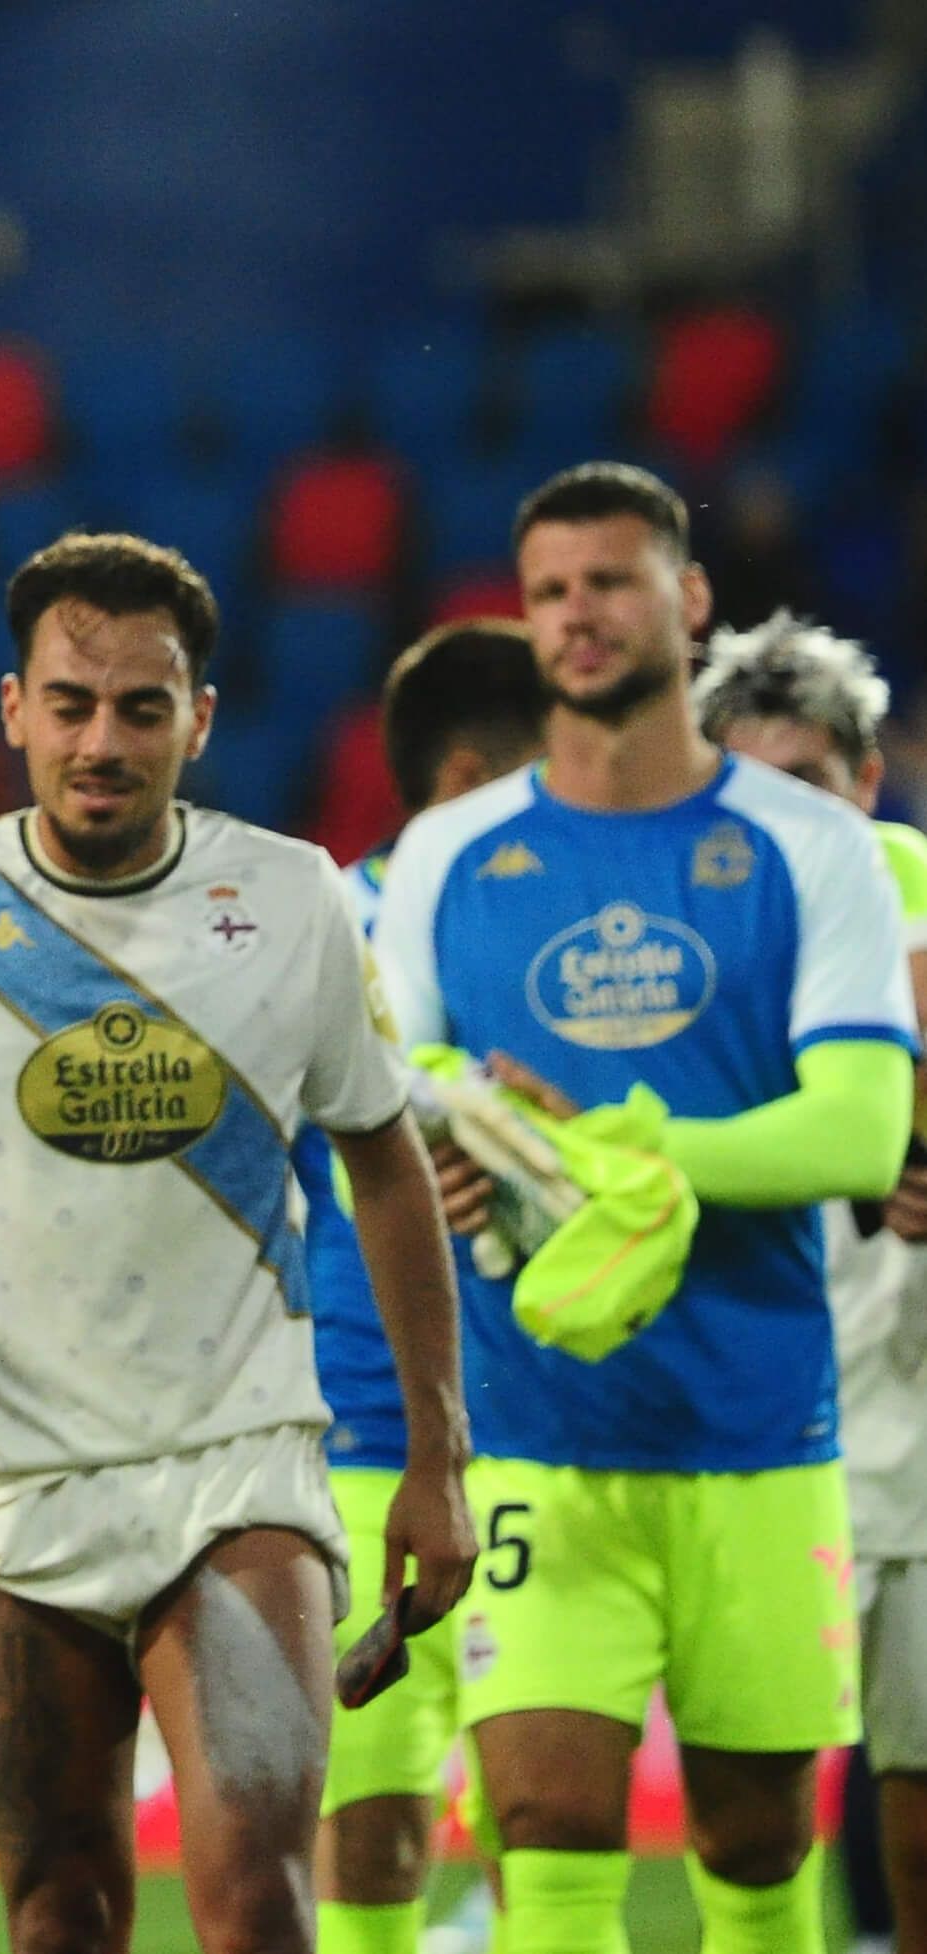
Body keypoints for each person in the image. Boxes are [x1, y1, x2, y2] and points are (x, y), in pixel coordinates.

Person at [0, 531, 477, 1954]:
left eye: (141, 707)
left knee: (255, 1892)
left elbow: (387, 1171)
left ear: (197, 719)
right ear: (11, 708)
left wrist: (435, 1453)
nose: (101, 739)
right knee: (57, 1907)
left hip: (236, 1464)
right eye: (69, 702)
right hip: (4, 1484)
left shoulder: (289, 897)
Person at [373, 465, 914, 1954]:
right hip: (535, 1428)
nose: (574, 617)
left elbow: (859, 1123)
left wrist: (602, 1146)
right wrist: (461, 1140)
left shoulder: (812, 852)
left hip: (759, 1431)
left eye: (606, 583)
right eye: (545, 591)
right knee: (545, 1824)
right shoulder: (445, 855)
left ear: (684, 600)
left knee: (755, 1835)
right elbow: (393, 1085)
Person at [302, 620, 547, 1954]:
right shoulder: (322, 923)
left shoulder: (568, 929)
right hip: (359, 1422)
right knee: (370, 1816)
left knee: (543, 1807)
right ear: (464, 778)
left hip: (557, 1425)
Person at [692, 610, 927, 1953]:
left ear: (864, 783)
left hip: (910, 1413)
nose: (788, 822)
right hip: (756, 1423)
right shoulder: (674, 941)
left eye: (811, 787)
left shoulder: (912, 894)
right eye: (754, 788)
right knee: (753, 1810)